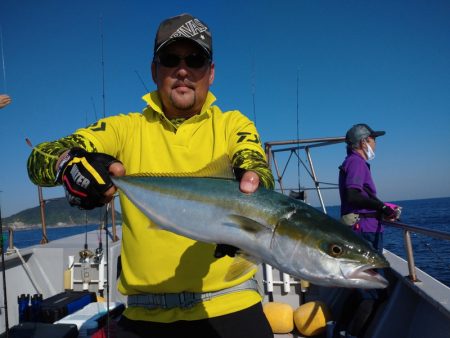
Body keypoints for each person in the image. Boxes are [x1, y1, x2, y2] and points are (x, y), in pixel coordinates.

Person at [27, 13, 275, 338]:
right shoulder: (123, 129)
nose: (183, 70)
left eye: (196, 59)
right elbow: (39, 159)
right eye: (170, 59)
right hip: (143, 316)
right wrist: (67, 164)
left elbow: (256, 167)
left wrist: (254, 181)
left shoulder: (233, 125)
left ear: (210, 72)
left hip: (231, 306)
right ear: (154, 70)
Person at [338, 123, 399, 254]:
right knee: (372, 271)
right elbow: (353, 195)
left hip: (361, 227)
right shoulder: (356, 162)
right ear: (363, 142)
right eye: (373, 140)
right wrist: (382, 207)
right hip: (364, 229)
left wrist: (382, 208)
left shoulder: (351, 161)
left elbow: (361, 196)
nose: (375, 144)